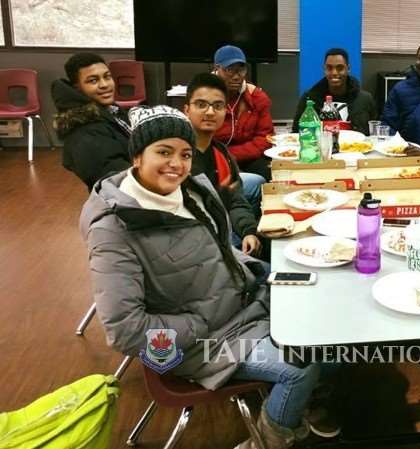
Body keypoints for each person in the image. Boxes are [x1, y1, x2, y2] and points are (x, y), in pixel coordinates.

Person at [79, 105, 328, 449]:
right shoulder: (114, 229)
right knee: (301, 367)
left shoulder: (192, 190)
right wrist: (198, 324)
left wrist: (258, 271)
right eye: (163, 152)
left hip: (241, 305)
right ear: (136, 156)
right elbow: (126, 331)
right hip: (200, 343)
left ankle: (297, 408)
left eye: (185, 154)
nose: (177, 164)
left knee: (321, 316)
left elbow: (220, 249)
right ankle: (270, 440)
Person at [183, 73, 264, 255]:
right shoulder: (179, 159)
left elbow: (235, 200)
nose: (210, 112)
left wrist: (248, 231)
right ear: (186, 110)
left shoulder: (222, 154)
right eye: (201, 105)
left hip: (221, 228)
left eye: (218, 106)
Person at [52, 53, 131, 191]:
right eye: (93, 81)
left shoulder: (111, 111)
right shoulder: (84, 132)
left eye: (107, 77)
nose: (104, 85)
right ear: (77, 87)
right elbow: (117, 181)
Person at [212, 45, 274, 181]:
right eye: (229, 70)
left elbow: (265, 138)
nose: (236, 77)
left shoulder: (257, 97)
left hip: (249, 157)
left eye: (241, 70)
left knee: (271, 173)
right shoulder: (205, 97)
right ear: (217, 69)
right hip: (214, 158)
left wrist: (232, 155)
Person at [292, 48, 378, 135]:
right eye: (329, 68)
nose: (334, 73)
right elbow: (296, 133)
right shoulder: (310, 99)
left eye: (340, 68)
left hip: (357, 143)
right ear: (324, 69)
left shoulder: (365, 99)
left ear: (348, 69)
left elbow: (374, 132)